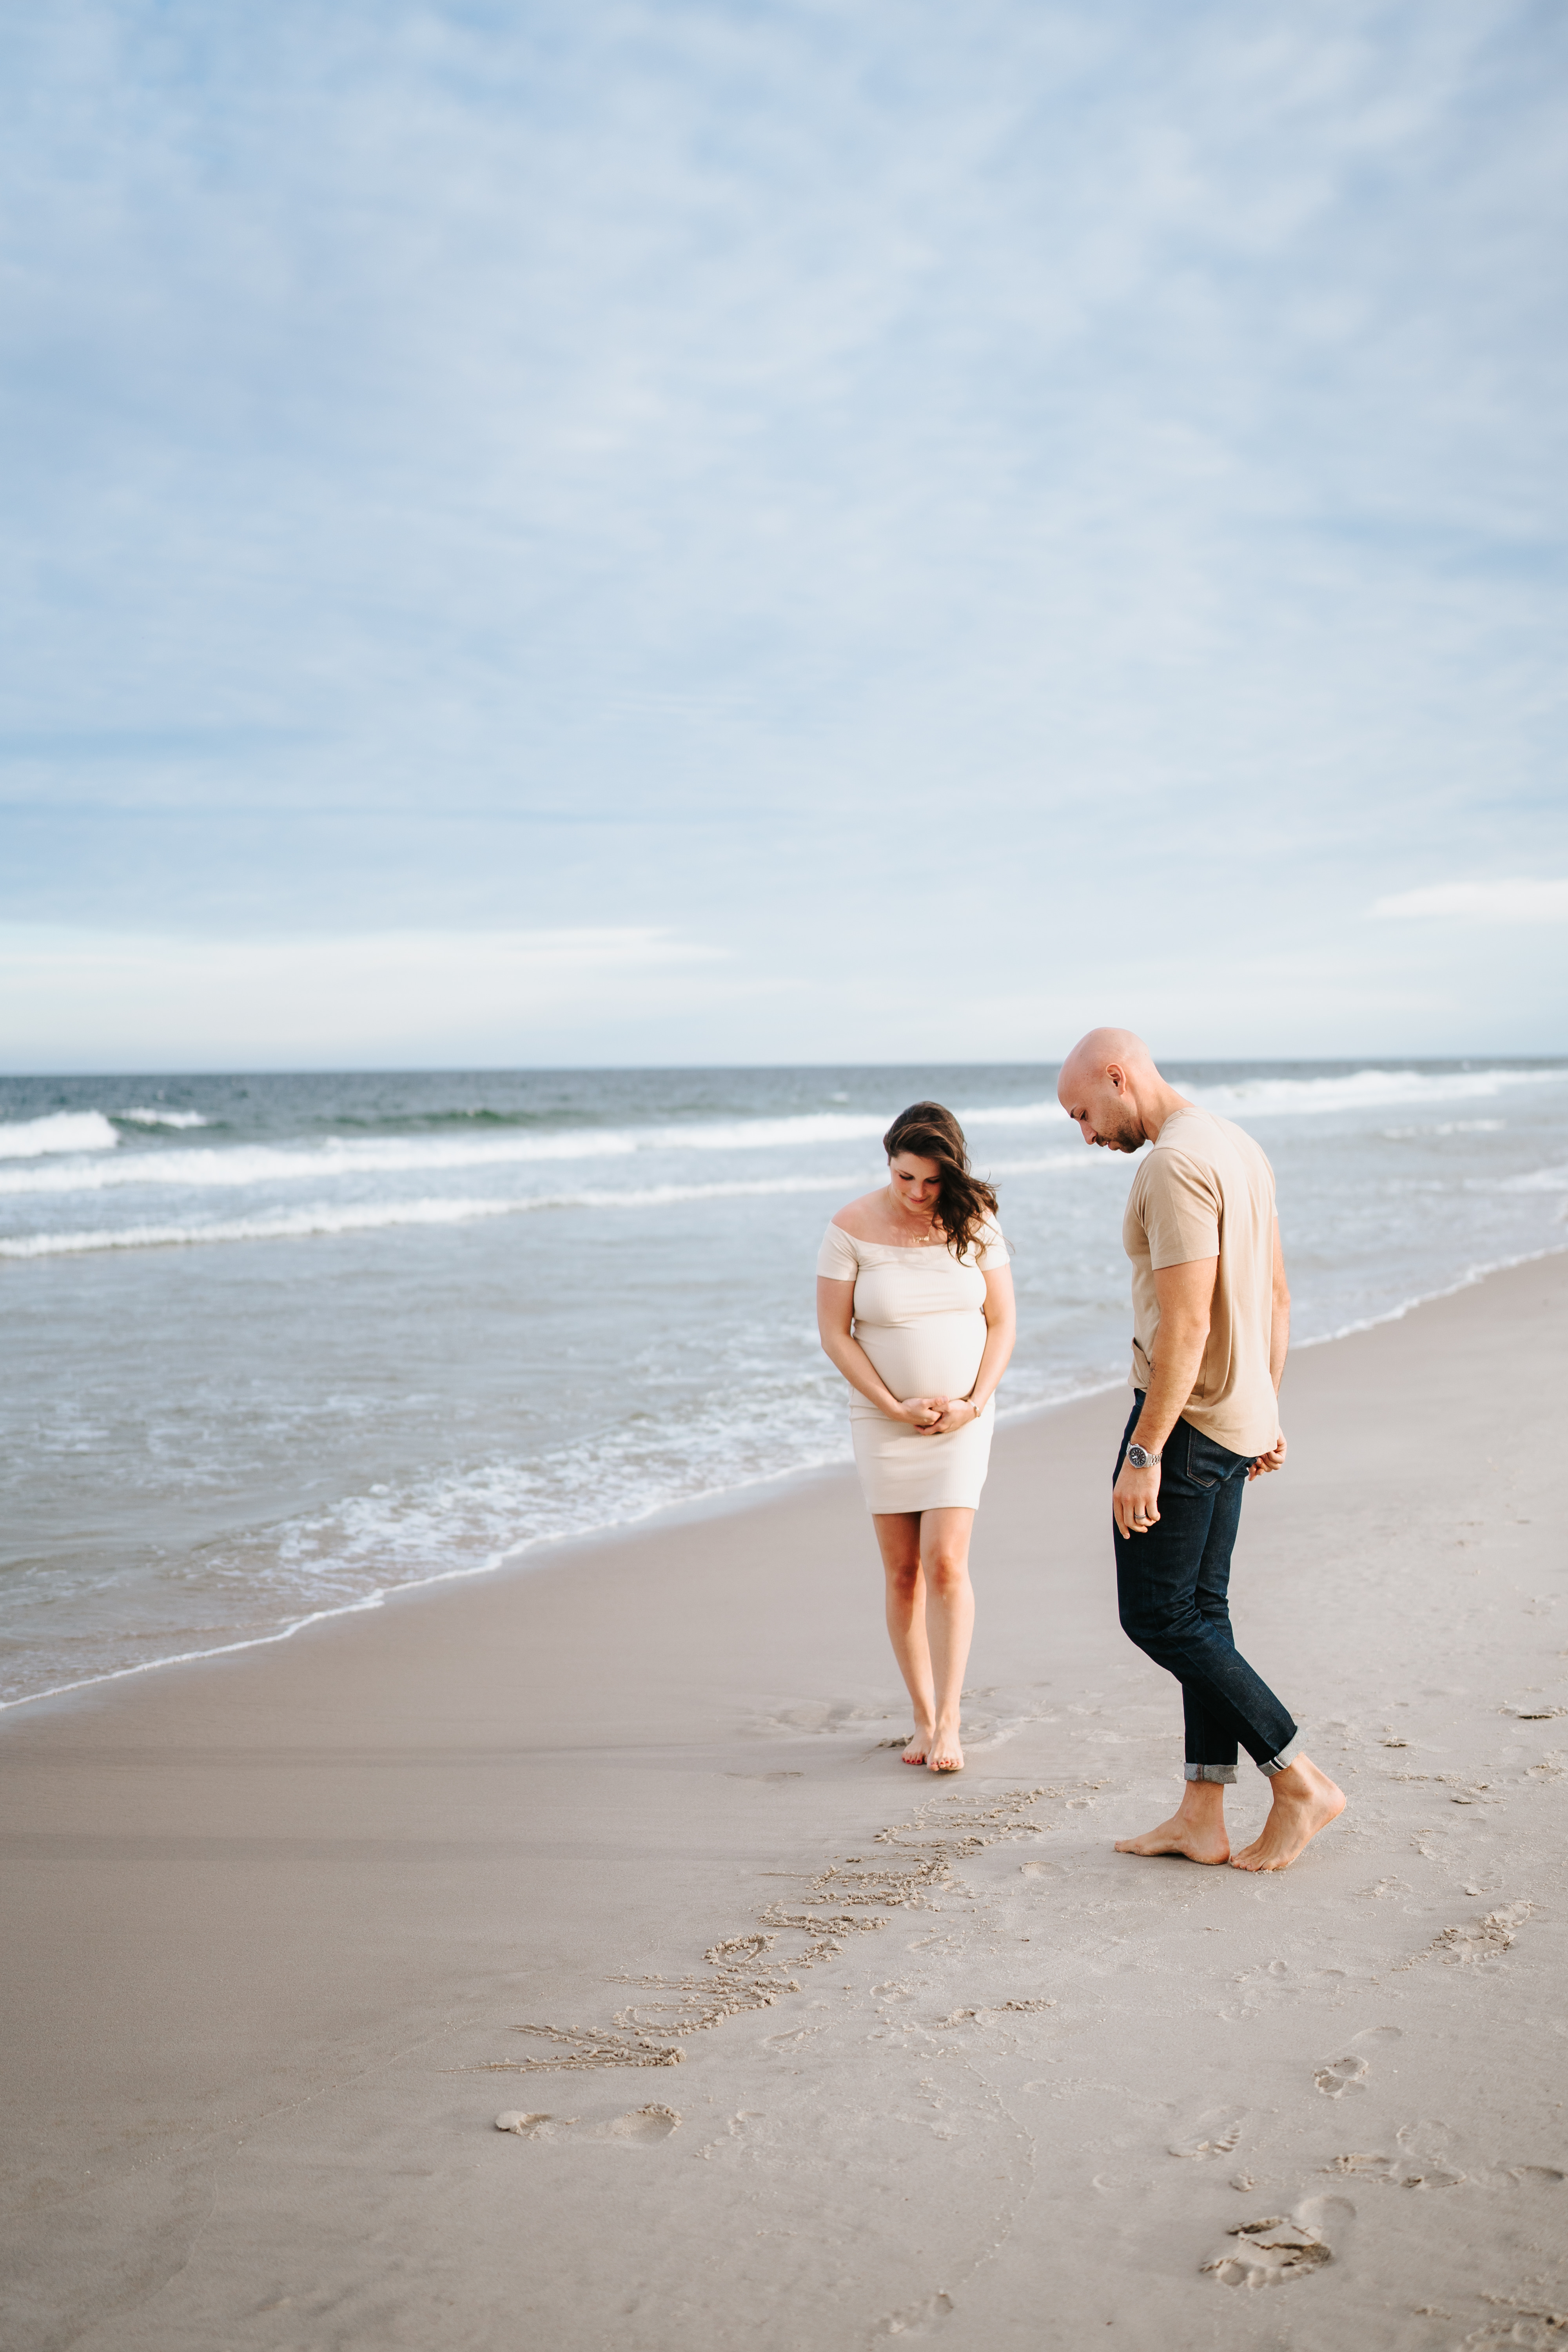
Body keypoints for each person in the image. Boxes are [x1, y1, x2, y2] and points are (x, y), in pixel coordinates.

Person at [1057, 1029, 1345, 1871]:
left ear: (1119, 1077)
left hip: (1182, 1422)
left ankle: (1298, 1781)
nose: (1085, 1133)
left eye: (1083, 1112)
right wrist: (1265, 1401)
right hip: (1235, 1411)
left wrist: (1141, 1453)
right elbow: (1276, 1296)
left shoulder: (1171, 1164)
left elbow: (1186, 1323)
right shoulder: (1237, 1145)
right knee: (1202, 1614)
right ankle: (1200, 1815)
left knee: (1157, 1615)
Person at [816, 1103, 1016, 1774]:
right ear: (889, 1164)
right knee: (902, 1574)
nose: (917, 1194)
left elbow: (1004, 1323)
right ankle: (924, 1716)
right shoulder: (848, 1228)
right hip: (882, 1420)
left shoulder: (976, 1223)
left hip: (963, 1419)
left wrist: (972, 1404)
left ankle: (952, 1721)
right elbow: (835, 1334)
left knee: (946, 1564)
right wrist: (893, 1406)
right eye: (905, 1178)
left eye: (931, 1182)